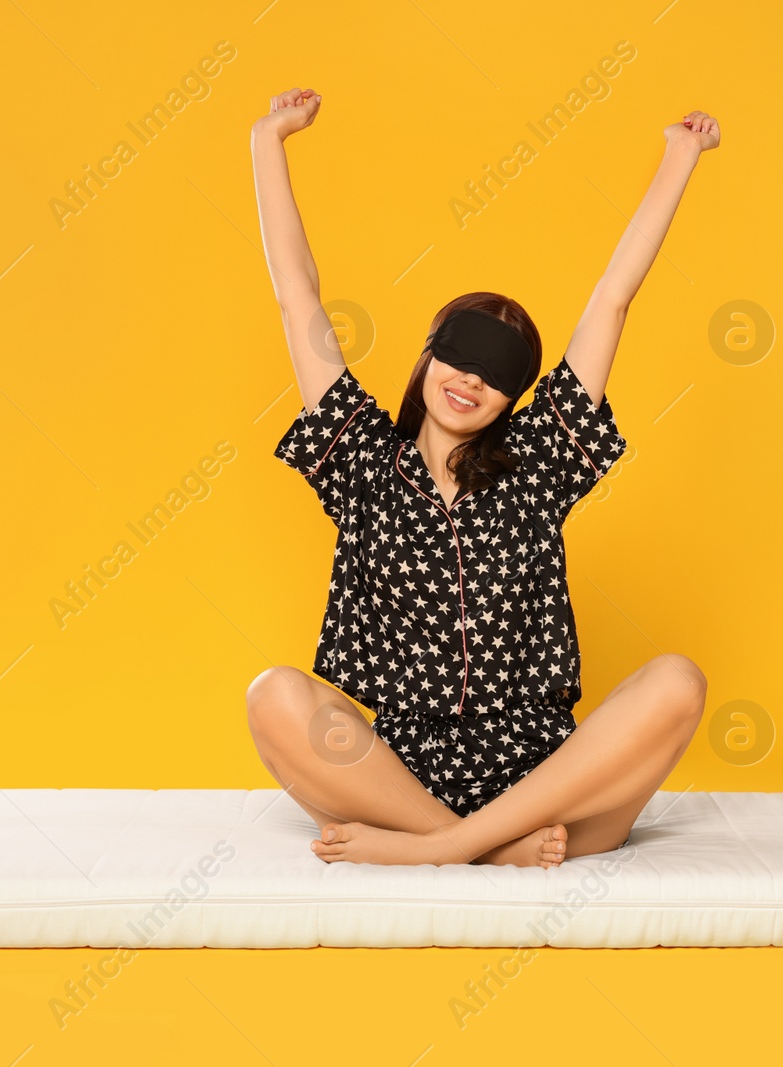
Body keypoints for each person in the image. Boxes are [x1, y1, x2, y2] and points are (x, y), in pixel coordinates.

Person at [245, 87, 719, 868]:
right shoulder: (363, 461)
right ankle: (472, 846)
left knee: (677, 679)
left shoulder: (538, 465)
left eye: (496, 374)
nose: (471, 381)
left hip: (549, 791)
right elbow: (297, 295)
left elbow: (613, 300)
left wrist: (679, 155)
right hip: (395, 782)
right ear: (429, 357)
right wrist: (268, 140)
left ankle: (450, 847)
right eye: (459, 357)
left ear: (514, 394)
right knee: (272, 694)